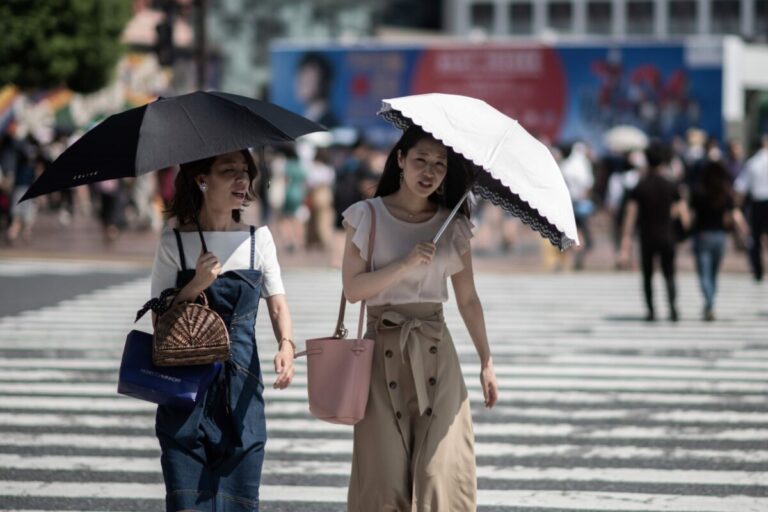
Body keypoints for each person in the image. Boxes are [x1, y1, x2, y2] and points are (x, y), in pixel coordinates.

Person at [341, 125, 499, 510]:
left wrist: (486, 361)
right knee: (383, 476)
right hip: (381, 354)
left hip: (436, 352)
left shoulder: (454, 224)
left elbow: (468, 299)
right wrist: (404, 264)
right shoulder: (367, 216)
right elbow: (353, 290)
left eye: (440, 165)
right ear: (400, 160)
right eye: (420, 160)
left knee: (438, 473)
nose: (429, 172)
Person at [149, 150, 296, 511]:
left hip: (242, 383)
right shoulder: (174, 242)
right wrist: (196, 284)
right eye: (229, 171)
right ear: (202, 180)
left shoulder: (258, 239)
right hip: (185, 385)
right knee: (187, 496)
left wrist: (286, 345)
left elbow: (277, 302)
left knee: (240, 492)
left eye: (245, 171)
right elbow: (159, 319)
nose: (242, 180)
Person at [620, 142, 690, 322]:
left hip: (647, 236)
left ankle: (651, 311)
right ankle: (673, 308)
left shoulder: (640, 186)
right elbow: (683, 213)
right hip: (668, 236)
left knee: (648, 275)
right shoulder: (671, 185)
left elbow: (631, 214)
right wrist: (685, 231)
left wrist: (626, 240)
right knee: (669, 274)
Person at [689, 161, 749, 320]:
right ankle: (710, 302)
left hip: (702, 235)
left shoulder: (699, 192)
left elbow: (691, 216)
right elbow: (734, 214)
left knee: (704, 273)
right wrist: (743, 228)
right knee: (713, 274)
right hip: (719, 237)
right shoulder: (725, 193)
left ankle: (709, 301)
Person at [735, 134, 768, 282]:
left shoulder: (752, 162)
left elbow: (740, 186)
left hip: (757, 202)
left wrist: (737, 206)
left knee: (755, 237)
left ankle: (758, 270)